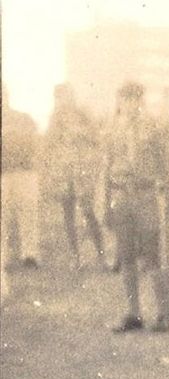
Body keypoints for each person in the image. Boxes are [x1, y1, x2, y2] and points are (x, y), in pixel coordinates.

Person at [103, 81, 169, 333]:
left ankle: (163, 314)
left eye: (135, 99)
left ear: (141, 101)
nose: (130, 104)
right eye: (126, 99)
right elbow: (106, 168)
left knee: (152, 256)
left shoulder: (152, 128)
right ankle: (134, 314)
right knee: (126, 257)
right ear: (120, 102)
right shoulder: (112, 129)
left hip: (145, 196)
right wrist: (106, 204)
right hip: (121, 195)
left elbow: (164, 164)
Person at [43, 84, 106, 271]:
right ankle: (75, 256)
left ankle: (101, 254)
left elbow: (97, 138)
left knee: (88, 212)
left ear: (72, 96)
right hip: (64, 173)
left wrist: (80, 133)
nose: (63, 100)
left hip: (83, 171)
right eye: (59, 97)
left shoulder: (83, 114)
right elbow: (49, 143)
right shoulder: (55, 118)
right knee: (68, 215)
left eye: (66, 96)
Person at [2, 83, 41, 273]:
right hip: (3, 173)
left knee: (28, 212)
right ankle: (3, 256)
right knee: (3, 215)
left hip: (25, 172)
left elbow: (35, 142)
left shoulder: (23, 118)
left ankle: (30, 254)